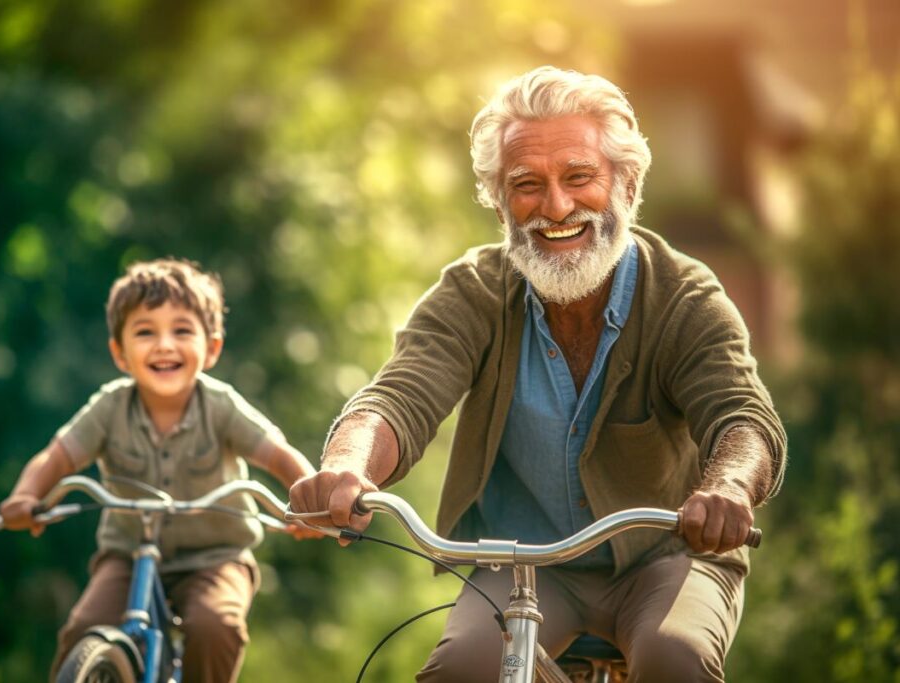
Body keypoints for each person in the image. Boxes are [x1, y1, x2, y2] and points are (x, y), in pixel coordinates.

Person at [289, 66, 786, 682]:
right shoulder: (472, 291)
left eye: (580, 177)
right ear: (500, 201)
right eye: (526, 184)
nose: (555, 206)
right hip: (520, 562)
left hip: (667, 558)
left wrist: (730, 490)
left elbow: (741, 417)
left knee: (674, 661)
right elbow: (398, 396)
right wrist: (348, 465)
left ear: (627, 185)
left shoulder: (685, 296)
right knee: (460, 672)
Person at [0, 258, 319, 683]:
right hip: (127, 555)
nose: (164, 344)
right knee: (81, 632)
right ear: (119, 353)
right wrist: (26, 496)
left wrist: (308, 501)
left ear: (212, 348)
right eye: (145, 332)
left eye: (182, 331)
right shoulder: (109, 407)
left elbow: (278, 454)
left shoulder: (219, 406)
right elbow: (55, 458)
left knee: (214, 627)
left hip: (216, 559)